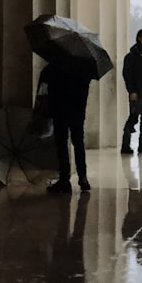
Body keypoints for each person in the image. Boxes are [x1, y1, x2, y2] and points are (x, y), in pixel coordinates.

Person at [42, 61, 94, 193]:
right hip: (77, 111)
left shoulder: (56, 64)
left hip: (60, 110)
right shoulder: (85, 65)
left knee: (62, 145)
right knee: (78, 144)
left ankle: (64, 179)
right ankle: (83, 178)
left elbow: (45, 78)